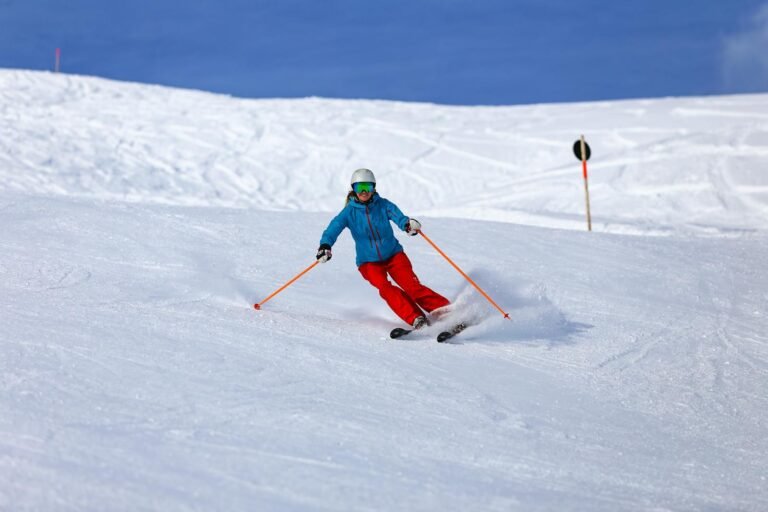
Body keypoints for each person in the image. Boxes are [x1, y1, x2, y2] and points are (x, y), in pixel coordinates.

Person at [316, 168, 450, 329]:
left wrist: (408, 225)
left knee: (412, 286)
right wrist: (325, 246)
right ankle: (416, 318)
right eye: (360, 188)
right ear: (353, 189)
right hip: (368, 263)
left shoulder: (383, 205)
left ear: (374, 188)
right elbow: (333, 229)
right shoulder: (348, 213)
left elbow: (399, 217)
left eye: (368, 187)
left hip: (394, 255)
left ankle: (446, 312)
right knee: (386, 289)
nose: (364, 192)